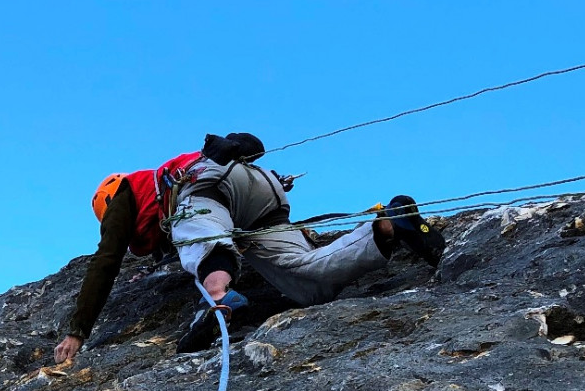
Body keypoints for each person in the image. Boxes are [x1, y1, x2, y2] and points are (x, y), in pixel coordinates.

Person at [52, 133, 443, 364]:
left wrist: (77, 332)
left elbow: (106, 261)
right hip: (262, 190)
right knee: (308, 281)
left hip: (209, 181)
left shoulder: (122, 194)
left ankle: (217, 299)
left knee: (197, 235)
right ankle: (390, 226)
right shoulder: (155, 195)